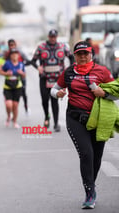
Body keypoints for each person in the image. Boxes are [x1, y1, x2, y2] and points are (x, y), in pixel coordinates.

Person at [51, 41, 116, 209]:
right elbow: (54, 88)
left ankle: (90, 185)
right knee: (86, 154)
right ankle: (89, 192)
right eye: (79, 54)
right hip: (75, 119)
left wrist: (105, 93)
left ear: (91, 54)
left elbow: (116, 93)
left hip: (99, 119)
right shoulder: (68, 72)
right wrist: (57, 93)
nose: (82, 57)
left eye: (85, 53)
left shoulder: (102, 71)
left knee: (96, 156)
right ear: (74, 56)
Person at [31, 29, 74, 132]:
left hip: (57, 78)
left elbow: (72, 57)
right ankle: (47, 117)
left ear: (57, 37)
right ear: (48, 37)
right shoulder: (41, 47)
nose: (53, 39)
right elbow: (33, 61)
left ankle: (56, 123)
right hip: (44, 77)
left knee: (55, 100)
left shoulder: (62, 47)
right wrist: (38, 67)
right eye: (51, 37)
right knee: (45, 100)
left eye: (54, 37)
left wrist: (68, 69)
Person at [0, 48, 25, 128]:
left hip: (17, 86)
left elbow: (24, 76)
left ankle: (15, 121)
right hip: (8, 87)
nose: (14, 56)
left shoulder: (21, 64)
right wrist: (6, 73)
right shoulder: (7, 63)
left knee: (15, 105)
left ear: (18, 55)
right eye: (13, 54)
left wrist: (21, 73)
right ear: (10, 56)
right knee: (9, 105)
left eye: (16, 54)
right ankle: (9, 116)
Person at [7, 39, 31, 114]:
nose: (12, 47)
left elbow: (28, 61)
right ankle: (11, 111)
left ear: (15, 45)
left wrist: (21, 66)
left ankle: (26, 107)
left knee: (23, 93)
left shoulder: (20, 53)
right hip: (11, 77)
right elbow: (2, 63)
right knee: (10, 94)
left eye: (13, 45)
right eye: (10, 45)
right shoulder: (7, 54)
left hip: (20, 76)